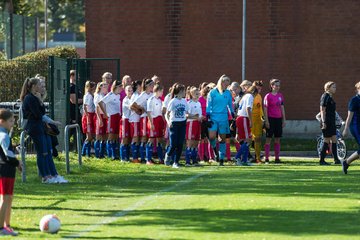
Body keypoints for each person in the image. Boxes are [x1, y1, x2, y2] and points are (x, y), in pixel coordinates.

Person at [20, 77, 67, 183]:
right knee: (43, 152)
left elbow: (41, 112)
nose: (42, 87)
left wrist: (40, 101)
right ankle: (45, 176)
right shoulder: (29, 98)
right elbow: (38, 114)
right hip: (34, 128)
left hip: (41, 127)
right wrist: (40, 103)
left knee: (48, 152)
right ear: (33, 86)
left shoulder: (36, 97)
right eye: (40, 85)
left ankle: (54, 174)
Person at [0, 109, 22, 236]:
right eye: (10, 121)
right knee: (5, 197)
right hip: (5, 169)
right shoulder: (3, 136)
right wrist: (17, 163)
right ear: (1, 121)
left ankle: (6, 225)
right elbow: (7, 155)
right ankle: (2, 228)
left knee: (8, 197)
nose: (12, 124)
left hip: (6, 168)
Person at [206, 75, 234, 166]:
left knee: (222, 139)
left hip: (223, 118)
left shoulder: (228, 93)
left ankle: (221, 159)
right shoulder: (212, 92)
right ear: (221, 82)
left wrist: (232, 113)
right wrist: (208, 115)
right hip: (213, 117)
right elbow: (209, 104)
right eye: (226, 83)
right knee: (211, 137)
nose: (227, 85)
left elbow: (230, 105)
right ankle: (215, 151)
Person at [130, 78, 155, 163]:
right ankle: (142, 158)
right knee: (144, 138)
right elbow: (133, 105)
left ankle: (148, 157)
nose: (153, 86)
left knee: (149, 137)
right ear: (147, 85)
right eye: (152, 85)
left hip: (150, 117)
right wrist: (140, 109)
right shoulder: (143, 94)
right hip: (144, 117)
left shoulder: (152, 94)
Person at [164, 84, 188, 168]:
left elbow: (186, 113)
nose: (184, 92)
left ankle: (176, 162)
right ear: (179, 92)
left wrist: (196, 116)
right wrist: (168, 122)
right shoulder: (173, 101)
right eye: (183, 91)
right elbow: (166, 114)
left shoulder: (185, 101)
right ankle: (168, 155)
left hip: (182, 123)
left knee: (180, 144)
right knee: (173, 144)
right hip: (174, 124)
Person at [263, 79, 286, 164]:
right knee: (268, 139)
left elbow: (282, 107)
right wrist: (266, 121)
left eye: (278, 85)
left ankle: (277, 158)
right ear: (271, 86)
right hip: (270, 119)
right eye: (276, 85)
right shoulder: (267, 96)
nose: (277, 87)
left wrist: (284, 119)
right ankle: (266, 158)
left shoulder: (280, 95)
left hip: (278, 119)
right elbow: (265, 109)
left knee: (277, 139)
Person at [99, 80, 122, 160]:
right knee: (111, 136)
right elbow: (100, 103)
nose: (121, 88)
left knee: (115, 136)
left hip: (117, 116)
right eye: (120, 86)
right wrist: (105, 113)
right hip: (111, 117)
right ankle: (110, 155)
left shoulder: (118, 96)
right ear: (116, 87)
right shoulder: (110, 95)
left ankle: (115, 154)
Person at [235, 85, 258, 165]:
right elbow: (248, 108)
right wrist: (251, 121)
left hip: (240, 118)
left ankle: (245, 160)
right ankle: (237, 157)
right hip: (244, 118)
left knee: (245, 140)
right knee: (248, 139)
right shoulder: (250, 96)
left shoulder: (244, 96)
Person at [318, 81, 339, 165]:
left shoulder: (330, 97)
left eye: (335, 87)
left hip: (332, 121)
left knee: (334, 140)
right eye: (333, 87)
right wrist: (323, 122)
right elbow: (322, 110)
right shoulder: (325, 96)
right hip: (327, 121)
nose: (335, 89)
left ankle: (336, 159)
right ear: (328, 88)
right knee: (326, 140)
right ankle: (322, 160)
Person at [342, 81, 360, 173]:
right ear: (358, 89)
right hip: (356, 126)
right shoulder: (354, 100)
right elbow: (349, 116)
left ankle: (346, 162)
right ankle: (346, 162)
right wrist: (345, 129)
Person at [146, 84, 165, 164]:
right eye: (161, 91)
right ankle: (148, 159)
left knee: (159, 140)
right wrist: (151, 123)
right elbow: (149, 112)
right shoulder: (151, 99)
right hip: (153, 120)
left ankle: (161, 159)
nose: (162, 93)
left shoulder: (160, 100)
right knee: (151, 139)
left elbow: (161, 112)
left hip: (159, 120)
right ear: (157, 91)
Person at [185, 87, 202, 166]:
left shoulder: (199, 103)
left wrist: (201, 118)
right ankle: (187, 161)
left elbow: (199, 115)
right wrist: (196, 117)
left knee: (196, 143)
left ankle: (194, 160)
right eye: (195, 93)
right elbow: (187, 115)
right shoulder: (189, 103)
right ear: (191, 94)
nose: (198, 94)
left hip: (198, 124)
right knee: (190, 142)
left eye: (198, 92)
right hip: (191, 124)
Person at [81, 81, 96, 157]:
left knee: (91, 136)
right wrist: (87, 118)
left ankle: (87, 152)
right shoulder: (87, 96)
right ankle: (83, 152)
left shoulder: (92, 95)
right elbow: (85, 107)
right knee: (89, 136)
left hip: (92, 114)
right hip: (88, 115)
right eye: (93, 87)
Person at [94, 82, 109, 158]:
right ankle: (97, 154)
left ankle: (102, 154)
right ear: (100, 87)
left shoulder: (104, 96)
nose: (106, 89)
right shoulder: (98, 96)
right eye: (105, 87)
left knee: (104, 136)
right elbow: (97, 108)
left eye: (107, 87)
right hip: (100, 116)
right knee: (98, 135)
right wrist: (100, 119)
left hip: (105, 116)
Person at [128, 80, 142, 163]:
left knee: (137, 138)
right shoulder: (135, 95)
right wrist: (138, 111)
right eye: (140, 85)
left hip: (138, 119)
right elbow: (131, 106)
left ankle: (136, 157)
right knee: (135, 138)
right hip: (134, 119)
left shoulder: (138, 94)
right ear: (137, 86)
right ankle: (134, 157)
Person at [251, 81, 264, 163]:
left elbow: (260, 109)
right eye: (257, 88)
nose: (259, 90)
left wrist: (262, 118)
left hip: (257, 120)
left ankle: (257, 158)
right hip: (250, 119)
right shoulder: (249, 96)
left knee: (258, 138)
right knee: (248, 139)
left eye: (260, 88)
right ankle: (245, 156)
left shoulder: (259, 96)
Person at [120, 85, 133, 162]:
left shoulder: (133, 98)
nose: (130, 92)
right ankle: (122, 158)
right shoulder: (125, 100)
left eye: (131, 90)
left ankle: (127, 157)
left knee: (129, 139)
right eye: (128, 90)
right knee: (124, 139)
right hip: (125, 120)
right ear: (125, 92)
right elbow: (132, 107)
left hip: (131, 120)